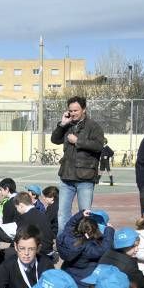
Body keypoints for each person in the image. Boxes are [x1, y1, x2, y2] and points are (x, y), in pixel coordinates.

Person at [50, 96, 105, 232]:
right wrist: (62, 124)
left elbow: (98, 146)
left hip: (85, 178)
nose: (73, 113)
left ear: (84, 110)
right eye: (71, 110)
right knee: (62, 214)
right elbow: (54, 139)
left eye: (76, 110)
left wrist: (78, 141)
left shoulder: (93, 126)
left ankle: (84, 243)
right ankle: (63, 243)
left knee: (85, 214)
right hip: (66, 177)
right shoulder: (67, 125)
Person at [57, 209, 114, 288]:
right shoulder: (87, 248)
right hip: (83, 284)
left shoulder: (66, 235)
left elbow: (69, 224)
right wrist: (109, 231)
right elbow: (104, 249)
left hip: (68, 277)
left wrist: (80, 214)